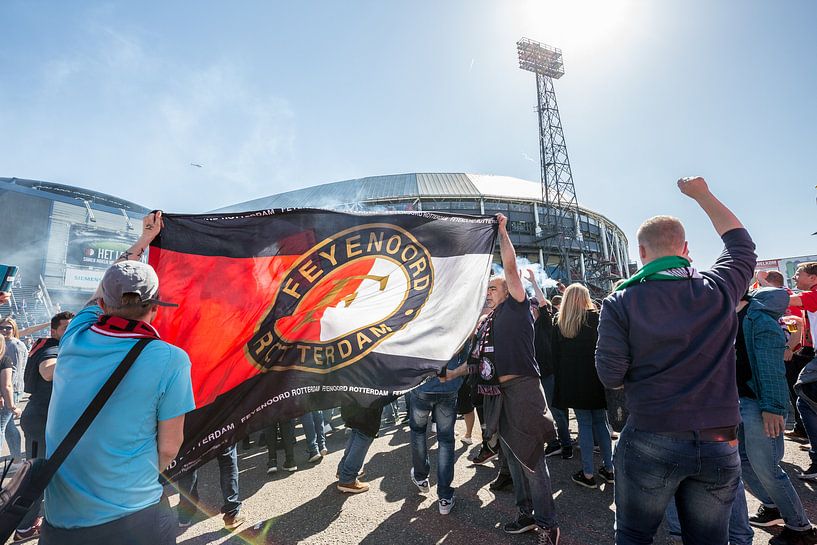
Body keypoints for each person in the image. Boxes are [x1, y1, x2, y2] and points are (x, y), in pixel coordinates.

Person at [596, 177, 756, 545]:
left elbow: (610, 374)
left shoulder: (621, 302)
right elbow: (741, 244)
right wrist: (702, 194)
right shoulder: (718, 289)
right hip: (719, 437)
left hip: (653, 431)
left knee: (636, 536)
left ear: (641, 253)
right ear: (686, 249)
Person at [40, 211, 196, 545]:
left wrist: (143, 241)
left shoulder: (76, 333)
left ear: (102, 303)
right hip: (133, 516)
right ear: (154, 307)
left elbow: (104, 286)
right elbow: (169, 447)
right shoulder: (170, 358)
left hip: (60, 522)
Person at [448, 214, 560, 545]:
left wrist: (502, 232)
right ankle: (526, 514)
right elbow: (477, 362)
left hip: (522, 390)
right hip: (496, 394)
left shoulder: (516, 306)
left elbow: (510, 269)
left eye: (492, 288)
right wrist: (450, 372)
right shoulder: (487, 321)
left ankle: (547, 523)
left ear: (508, 290)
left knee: (532, 461)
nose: (488, 293)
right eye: (487, 290)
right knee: (511, 456)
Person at [735, 287, 816, 544]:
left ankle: (801, 529)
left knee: (768, 468)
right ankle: (772, 506)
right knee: (742, 461)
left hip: (759, 404)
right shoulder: (729, 316)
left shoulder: (758, 319)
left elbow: (771, 370)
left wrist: (772, 408)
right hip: (739, 401)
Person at [13, 310, 75, 541]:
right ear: (54, 331)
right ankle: (24, 527)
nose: (71, 332)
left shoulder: (53, 344)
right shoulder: (53, 347)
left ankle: (32, 520)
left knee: (45, 473)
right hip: (41, 420)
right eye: (66, 328)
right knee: (37, 477)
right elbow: (47, 371)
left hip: (43, 419)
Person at [551, 284, 613, 489]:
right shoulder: (596, 319)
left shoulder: (561, 324)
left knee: (584, 425)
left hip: (574, 383)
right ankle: (609, 469)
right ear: (586, 298)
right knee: (601, 424)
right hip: (596, 379)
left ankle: (588, 473)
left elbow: (555, 357)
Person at [408, 346, 467, 515]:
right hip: (449, 384)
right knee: (446, 440)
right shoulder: (457, 321)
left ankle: (421, 477)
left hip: (423, 385)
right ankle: (445, 496)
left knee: (418, 432)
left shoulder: (419, 319)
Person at [176, 445, 244, 530]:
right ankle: (231, 515)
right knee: (228, 461)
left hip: (191, 434)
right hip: (218, 432)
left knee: (188, 466)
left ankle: (185, 515)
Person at [336, 403, 383, 494]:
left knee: (357, 432)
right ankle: (347, 479)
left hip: (353, 400)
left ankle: (343, 471)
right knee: (364, 435)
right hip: (367, 404)